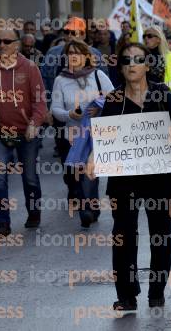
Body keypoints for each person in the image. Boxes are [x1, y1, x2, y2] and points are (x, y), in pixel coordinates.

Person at [85, 42, 171, 311]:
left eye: (137, 59)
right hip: (124, 181)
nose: (131, 64)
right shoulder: (114, 100)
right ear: (121, 68)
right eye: (126, 60)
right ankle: (126, 295)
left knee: (160, 237)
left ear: (147, 65)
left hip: (161, 179)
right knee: (123, 237)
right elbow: (104, 138)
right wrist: (92, 160)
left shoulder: (163, 94)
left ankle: (157, 291)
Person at [0, 29, 47, 236]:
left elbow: (40, 101)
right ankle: (3, 223)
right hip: (0, 132)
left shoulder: (30, 67)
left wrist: (34, 123)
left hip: (27, 132)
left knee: (30, 178)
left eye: (7, 41)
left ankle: (34, 213)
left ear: (17, 45)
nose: (2, 45)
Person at [51, 40, 114, 227]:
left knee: (89, 171)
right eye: (70, 53)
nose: (74, 56)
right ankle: (88, 203)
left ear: (86, 56)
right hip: (71, 135)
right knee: (73, 176)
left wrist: (99, 108)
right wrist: (69, 114)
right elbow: (55, 109)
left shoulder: (98, 75)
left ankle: (87, 209)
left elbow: (114, 99)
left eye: (78, 53)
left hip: (95, 133)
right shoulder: (60, 80)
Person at [142, 26, 171, 91]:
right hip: (143, 96)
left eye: (149, 36)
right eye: (144, 36)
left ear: (158, 39)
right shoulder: (141, 56)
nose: (146, 38)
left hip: (165, 96)